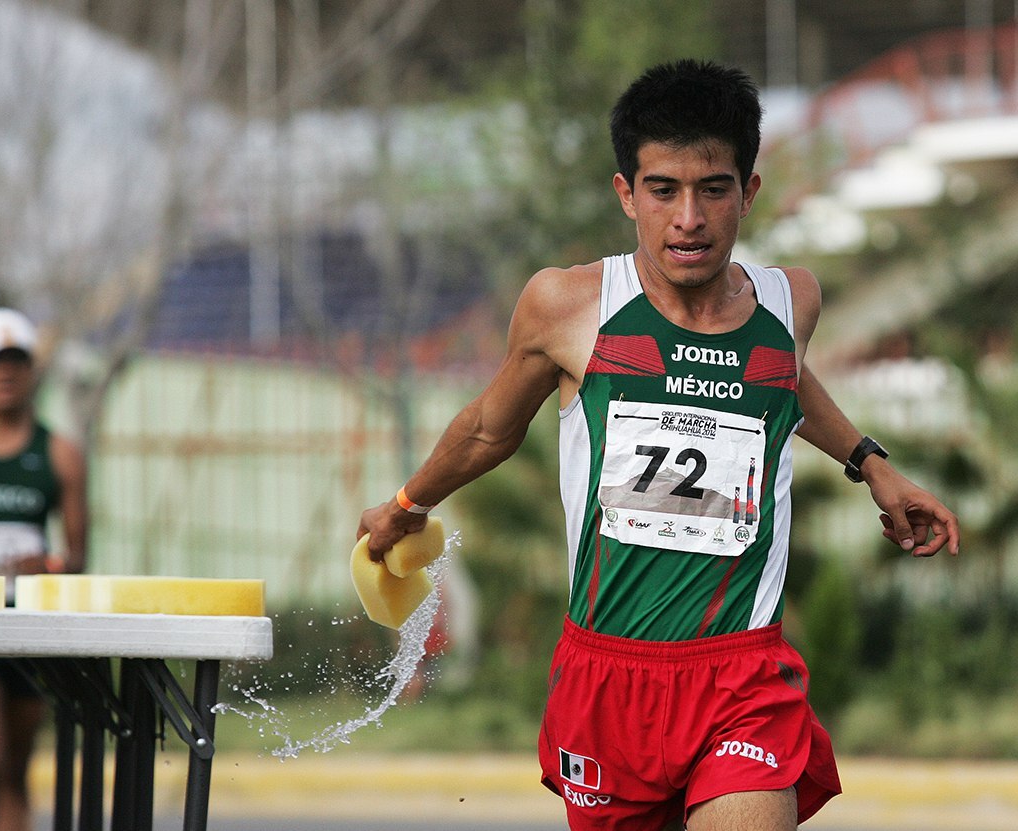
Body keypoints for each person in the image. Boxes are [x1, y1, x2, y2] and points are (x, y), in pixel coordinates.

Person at [359, 59, 959, 830]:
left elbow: (782, 380)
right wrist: (407, 503)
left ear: (748, 192)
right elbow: (488, 427)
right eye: (663, 190)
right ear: (625, 194)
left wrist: (871, 463)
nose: (689, 218)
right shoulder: (571, 307)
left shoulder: (791, 301)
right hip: (609, 674)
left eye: (713, 189)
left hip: (742, 673)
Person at [0, 308, 87, 831]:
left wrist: (45, 565)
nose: (5, 373)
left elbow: (77, 560)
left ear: (32, 371)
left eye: (16, 361)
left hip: (28, 627)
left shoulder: (59, 455)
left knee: (13, 772)